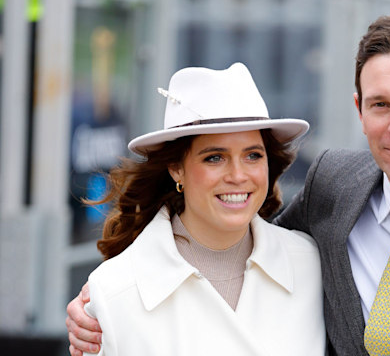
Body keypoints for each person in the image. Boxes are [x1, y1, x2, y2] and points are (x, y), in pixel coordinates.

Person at [67, 11, 390, 355]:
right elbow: (229, 229)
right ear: (359, 110)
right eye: (381, 105)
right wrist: (104, 300)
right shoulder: (334, 188)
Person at [67, 63, 325, 355]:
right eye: (215, 158)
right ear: (176, 168)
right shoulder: (114, 292)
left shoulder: (311, 265)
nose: (238, 175)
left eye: (253, 155)